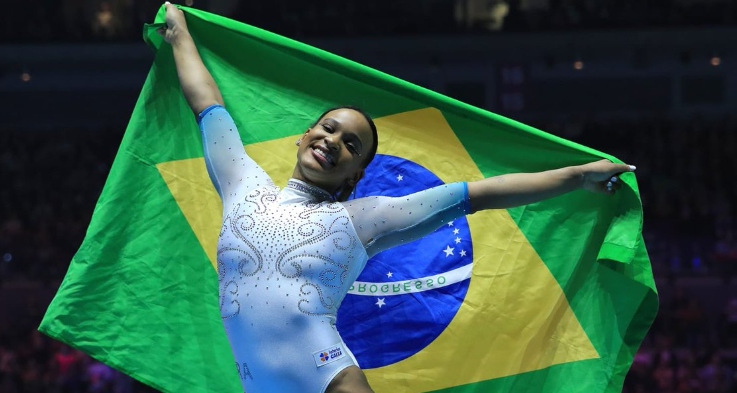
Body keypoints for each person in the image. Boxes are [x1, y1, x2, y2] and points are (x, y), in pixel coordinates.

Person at [157, 2, 635, 392]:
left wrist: (577, 176)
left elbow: (478, 194)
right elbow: (207, 102)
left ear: (356, 172)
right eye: (328, 129)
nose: (334, 142)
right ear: (303, 137)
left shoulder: (363, 220)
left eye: (351, 145)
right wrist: (178, 31)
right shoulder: (242, 182)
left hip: (330, 380)